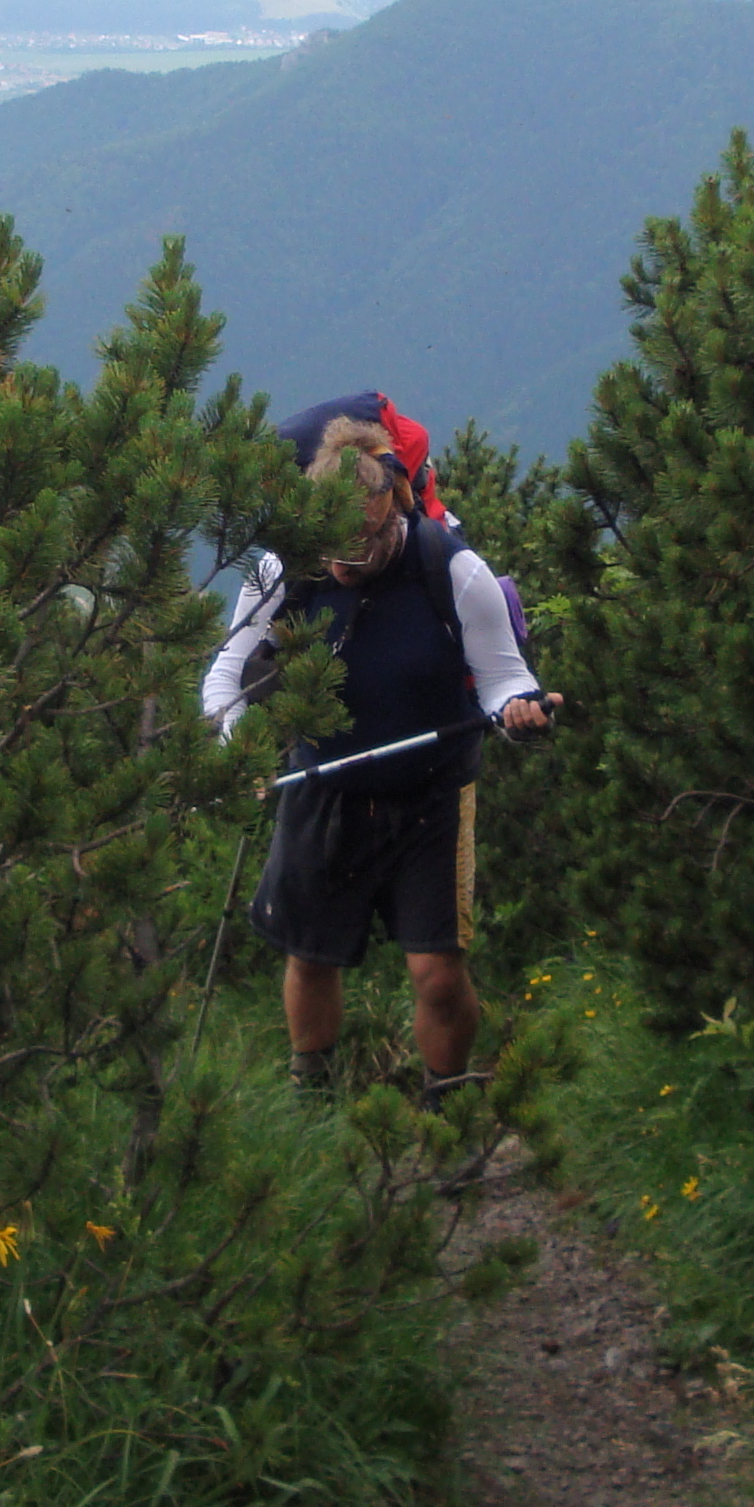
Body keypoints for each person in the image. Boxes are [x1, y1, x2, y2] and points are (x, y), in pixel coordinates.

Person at [202, 411, 552, 1104]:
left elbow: (504, 678)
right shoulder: (282, 569)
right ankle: (312, 1101)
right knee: (311, 954)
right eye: (331, 549)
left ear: (392, 514)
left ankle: (445, 1107)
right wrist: (240, 750)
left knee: (437, 973)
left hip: (431, 794)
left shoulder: (450, 568)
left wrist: (519, 713)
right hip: (321, 784)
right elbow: (224, 678)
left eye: (360, 549)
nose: (343, 567)